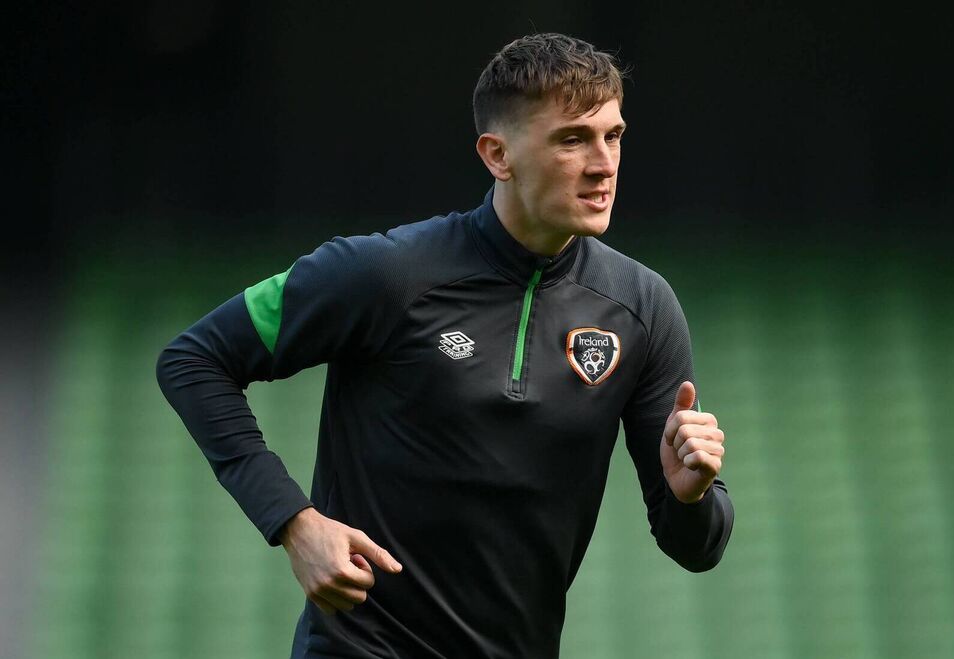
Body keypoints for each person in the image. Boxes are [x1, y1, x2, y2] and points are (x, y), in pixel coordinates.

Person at [157, 32, 734, 658]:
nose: (604, 164)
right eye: (572, 140)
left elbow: (696, 548)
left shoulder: (642, 307)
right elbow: (194, 359)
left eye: (613, 136)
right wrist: (294, 523)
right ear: (497, 155)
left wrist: (692, 495)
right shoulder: (384, 274)